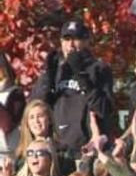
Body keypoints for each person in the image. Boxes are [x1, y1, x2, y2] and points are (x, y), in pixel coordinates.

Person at [30, 18, 114, 154]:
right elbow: (35, 105)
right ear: (61, 42)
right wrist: (47, 75)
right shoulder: (57, 69)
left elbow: (104, 109)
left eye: (76, 39)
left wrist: (81, 75)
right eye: (67, 39)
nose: (71, 45)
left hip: (87, 147)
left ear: (87, 41)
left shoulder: (99, 69)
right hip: (57, 146)